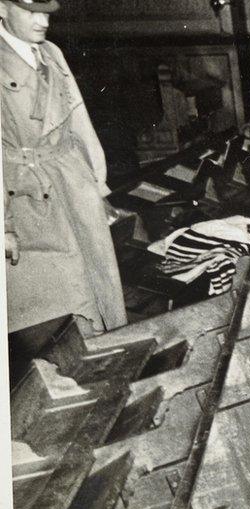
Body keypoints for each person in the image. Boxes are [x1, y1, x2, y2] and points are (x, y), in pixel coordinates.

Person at [2, 0, 127, 339]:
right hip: (28, 195)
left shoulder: (51, 53)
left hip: (72, 182)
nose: (43, 21)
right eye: (31, 11)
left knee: (99, 288)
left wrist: (97, 187)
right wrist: (4, 224)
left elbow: (78, 121)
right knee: (56, 307)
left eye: (47, 13)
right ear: (2, 8)